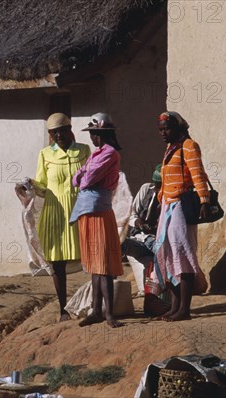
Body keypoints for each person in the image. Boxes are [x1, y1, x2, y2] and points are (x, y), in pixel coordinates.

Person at [29, 113, 91, 322]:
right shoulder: (45, 154)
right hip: (55, 211)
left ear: (69, 129)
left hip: (79, 209)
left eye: (62, 130)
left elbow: (90, 178)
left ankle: (94, 304)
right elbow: (42, 185)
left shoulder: (83, 151)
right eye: (54, 133)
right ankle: (63, 309)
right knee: (57, 261)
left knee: (91, 257)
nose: (59, 135)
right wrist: (30, 186)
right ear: (50, 135)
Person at [153, 111, 210, 322]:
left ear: (177, 128)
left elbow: (198, 174)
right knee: (169, 254)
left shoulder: (188, 146)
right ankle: (175, 306)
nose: (163, 133)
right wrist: (160, 200)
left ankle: (184, 309)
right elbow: (166, 179)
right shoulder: (170, 148)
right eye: (160, 130)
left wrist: (204, 200)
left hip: (181, 206)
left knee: (182, 255)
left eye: (166, 129)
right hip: (168, 205)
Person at [70, 112, 124, 328]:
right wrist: (83, 175)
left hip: (99, 211)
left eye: (94, 133)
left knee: (103, 264)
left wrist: (83, 175)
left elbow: (86, 178)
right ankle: (96, 310)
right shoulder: (97, 154)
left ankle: (109, 313)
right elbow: (77, 178)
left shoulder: (110, 154)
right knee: (94, 263)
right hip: (89, 211)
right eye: (91, 133)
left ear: (102, 134)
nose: (92, 138)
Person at [121, 164, 162, 295]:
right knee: (117, 244)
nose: (156, 187)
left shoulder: (170, 198)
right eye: (155, 184)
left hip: (156, 242)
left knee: (161, 257)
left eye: (159, 185)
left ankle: (156, 288)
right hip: (139, 240)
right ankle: (110, 286)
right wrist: (138, 222)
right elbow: (132, 212)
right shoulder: (146, 189)